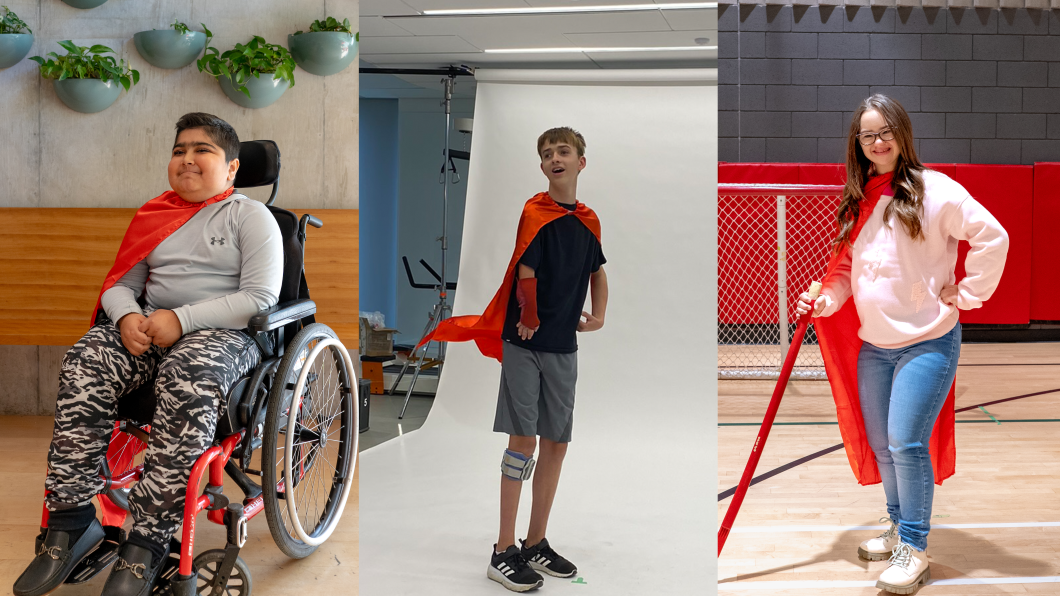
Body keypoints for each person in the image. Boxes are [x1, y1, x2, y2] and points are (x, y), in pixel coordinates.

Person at [13, 112, 282, 596]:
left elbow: (260, 299)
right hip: (149, 332)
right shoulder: (155, 214)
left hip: (224, 335)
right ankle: (71, 522)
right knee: (86, 358)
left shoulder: (251, 217)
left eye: (202, 150)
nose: (187, 159)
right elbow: (121, 285)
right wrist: (124, 318)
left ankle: (148, 542)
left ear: (233, 167)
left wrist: (182, 320)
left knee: (187, 372)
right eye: (179, 150)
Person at [797, 95, 1008, 594]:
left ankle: (914, 548)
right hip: (876, 346)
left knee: (907, 444)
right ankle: (897, 528)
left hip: (927, 342)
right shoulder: (858, 197)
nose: (878, 140)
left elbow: (993, 236)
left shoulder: (936, 190)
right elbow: (847, 271)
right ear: (858, 143)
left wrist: (970, 293)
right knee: (884, 448)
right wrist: (828, 299)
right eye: (868, 134)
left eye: (886, 130)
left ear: (903, 132)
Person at [421, 127, 607, 592]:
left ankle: (536, 540)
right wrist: (527, 314)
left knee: (557, 442)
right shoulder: (535, 212)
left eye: (563, 151)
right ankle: (503, 549)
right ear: (542, 166)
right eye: (546, 154)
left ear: (581, 162)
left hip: (563, 345)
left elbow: (598, 271)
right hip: (525, 343)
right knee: (522, 441)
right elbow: (525, 268)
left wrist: (599, 316)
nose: (554, 158)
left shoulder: (588, 220)